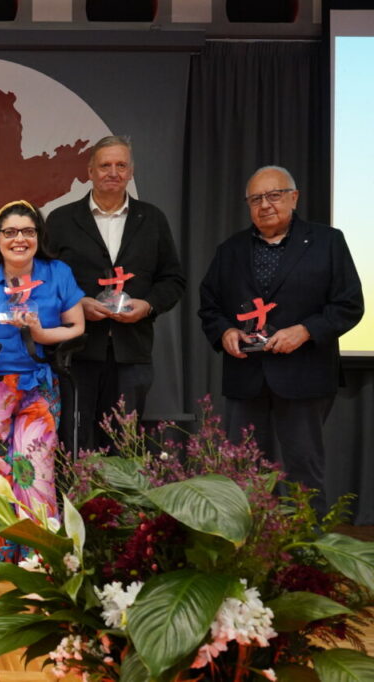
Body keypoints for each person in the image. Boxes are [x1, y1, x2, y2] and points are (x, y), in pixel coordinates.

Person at [199, 166, 363, 513]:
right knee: (243, 471)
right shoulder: (230, 250)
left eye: (274, 195)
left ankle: (306, 556)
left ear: (294, 197)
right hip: (246, 376)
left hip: (305, 374)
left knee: (304, 473)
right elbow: (209, 307)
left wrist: (305, 331)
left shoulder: (327, 242)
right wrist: (225, 331)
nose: (265, 205)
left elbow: (350, 305)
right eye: (256, 198)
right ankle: (249, 553)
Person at [0, 200, 85, 562]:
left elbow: (78, 325)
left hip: (38, 385)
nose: (19, 239)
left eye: (27, 231)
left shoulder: (57, 272)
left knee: (34, 469)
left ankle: (38, 551)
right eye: (9, 232)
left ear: (38, 236)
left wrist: (41, 334)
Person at [45, 135, 184, 450]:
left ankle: (118, 503)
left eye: (121, 165)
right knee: (74, 442)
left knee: (125, 445)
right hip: (76, 352)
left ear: (131, 172)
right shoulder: (62, 220)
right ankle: (73, 501)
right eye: (105, 165)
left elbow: (173, 279)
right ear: (90, 171)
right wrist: (77, 304)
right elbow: (45, 282)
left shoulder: (152, 219)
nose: (113, 172)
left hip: (131, 352)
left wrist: (147, 305)